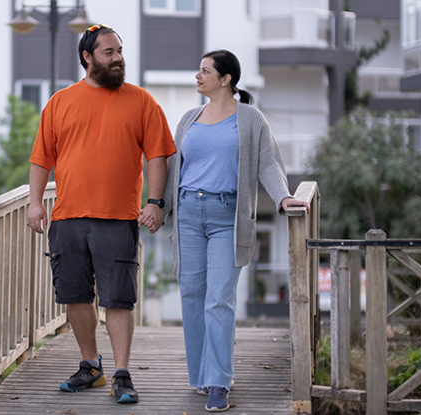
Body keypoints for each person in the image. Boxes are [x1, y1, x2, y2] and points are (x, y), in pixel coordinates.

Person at [148, 49, 309, 412]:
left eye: (205, 71)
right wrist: (158, 206)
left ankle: (219, 381)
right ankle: (202, 376)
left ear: (226, 79)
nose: (197, 76)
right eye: (198, 70)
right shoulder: (189, 118)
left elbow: (268, 162)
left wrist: (284, 198)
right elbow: (175, 168)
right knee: (192, 293)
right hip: (188, 212)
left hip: (226, 216)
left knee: (219, 299)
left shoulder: (251, 119)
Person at [27, 24, 175, 405]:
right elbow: (42, 158)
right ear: (87, 58)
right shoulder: (60, 102)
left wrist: (155, 202)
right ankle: (91, 366)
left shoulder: (142, 102)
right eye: (109, 52)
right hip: (68, 217)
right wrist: (34, 202)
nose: (118, 58)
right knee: (75, 295)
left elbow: (158, 156)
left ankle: (122, 374)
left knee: (118, 299)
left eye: (119, 51)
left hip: (118, 217)